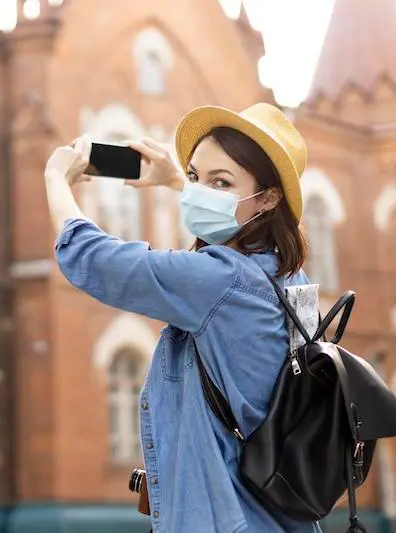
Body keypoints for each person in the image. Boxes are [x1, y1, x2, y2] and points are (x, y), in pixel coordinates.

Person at [43, 103, 322, 533]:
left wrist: (56, 180)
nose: (201, 192)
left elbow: (94, 260)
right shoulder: (289, 279)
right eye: (196, 177)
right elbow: (230, 214)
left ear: (268, 197)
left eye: (221, 182)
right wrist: (176, 181)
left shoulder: (219, 280)